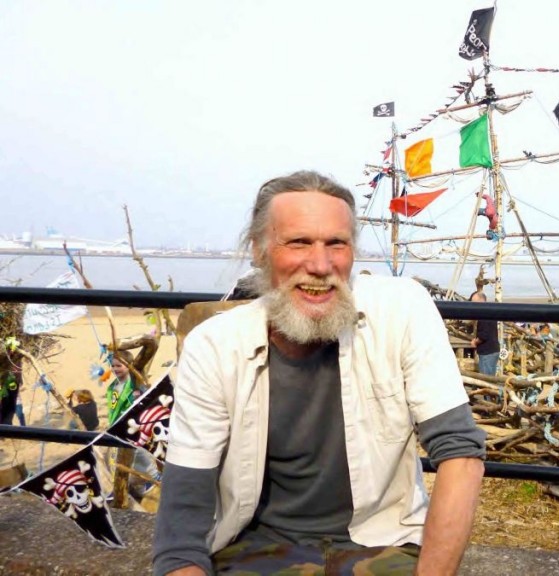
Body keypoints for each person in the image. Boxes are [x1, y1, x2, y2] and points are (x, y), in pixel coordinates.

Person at [153, 170, 486, 576]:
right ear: (258, 250)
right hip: (253, 552)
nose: (320, 264)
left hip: (386, 544)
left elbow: (461, 455)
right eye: (298, 242)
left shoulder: (403, 310)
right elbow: (183, 523)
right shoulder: (214, 347)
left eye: (336, 244)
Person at [470, 291, 499, 376]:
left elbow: (484, 335)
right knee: (490, 376)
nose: (473, 305)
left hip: (488, 352)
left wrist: (475, 342)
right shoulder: (489, 310)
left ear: (480, 300)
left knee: (487, 378)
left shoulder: (484, 313)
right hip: (492, 350)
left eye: (474, 302)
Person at [106, 352, 137, 425]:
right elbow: (113, 409)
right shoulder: (112, 387)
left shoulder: (134, 386)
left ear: (129, 365)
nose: (115, 369)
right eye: (112, 366)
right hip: (114, 426)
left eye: (119, 366)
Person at [0, 353, 21, 426]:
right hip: (4, 378)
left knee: (11, 403)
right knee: (5, 402)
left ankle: (7, 426)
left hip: (14, 378)